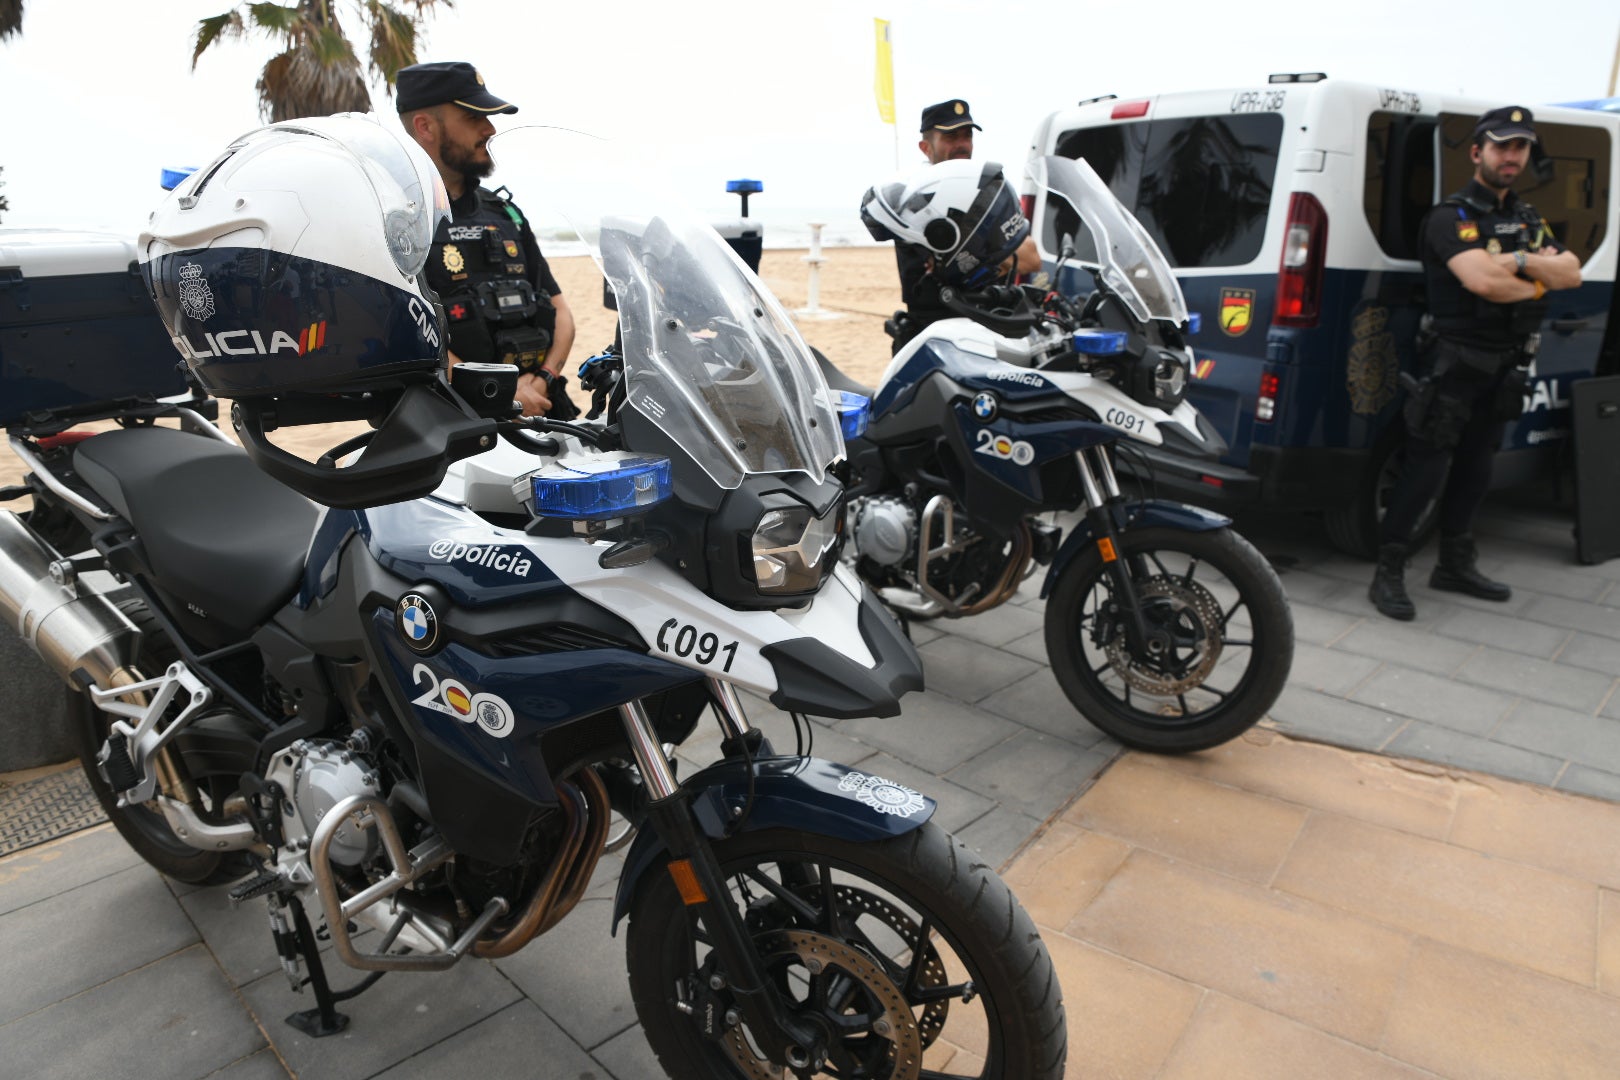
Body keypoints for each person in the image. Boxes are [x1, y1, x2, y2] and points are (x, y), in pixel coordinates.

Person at [1369, 106, 1582, 620]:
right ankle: (1388, 573)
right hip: (1456, 363)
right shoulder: (1451, 217)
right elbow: (1483, 283)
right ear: (1477, 152)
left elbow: (1572, 271)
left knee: (1476, 468)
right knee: (1425, 471)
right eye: (1502, 145)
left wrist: (1520, 263)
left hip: (1506, 364)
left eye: (1521, 147)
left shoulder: (1527, 216)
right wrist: (1535, 274)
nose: (1512, 156)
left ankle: (1455, 564)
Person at [396, 61, 577, 418]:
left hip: (544, 409)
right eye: (473, 118)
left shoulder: (505, 213)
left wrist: (541, 379)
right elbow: (403, 329)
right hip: (456, 423)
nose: (490, 129)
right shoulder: (396, 220)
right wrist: (503, 395)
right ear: (425, 126)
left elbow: (561, 311)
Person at [885, 99, 1040, 352]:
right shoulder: (915, 201)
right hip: (934, 337)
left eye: (966, 136)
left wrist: (980, 258)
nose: (961, 144)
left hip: (988, 330)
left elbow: (1030, 257)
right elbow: (959, 265)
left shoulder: (989, 192)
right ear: (925, 147)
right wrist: (992, 255)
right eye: (950, 137)